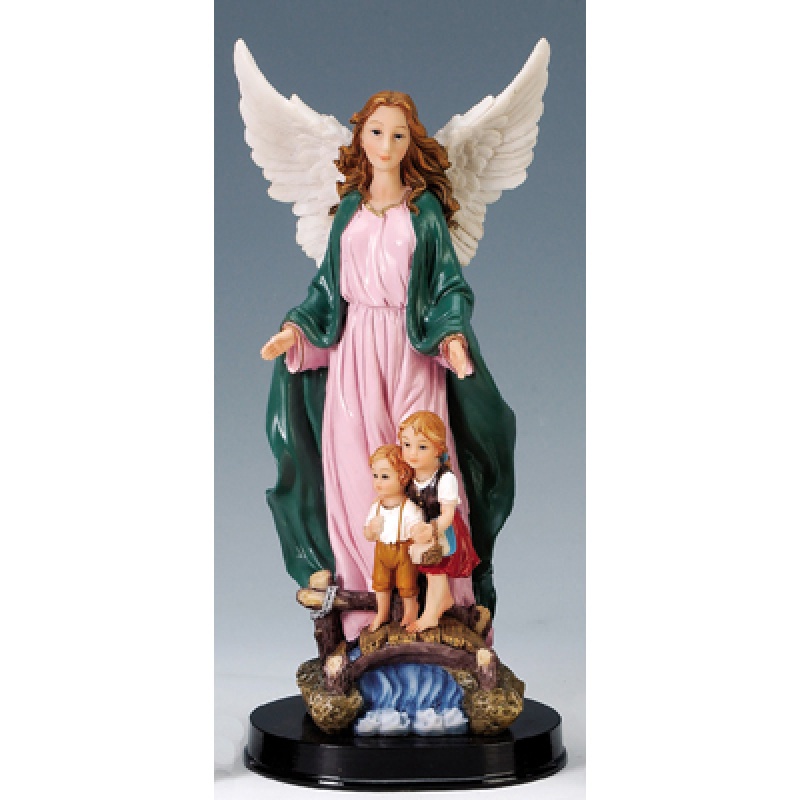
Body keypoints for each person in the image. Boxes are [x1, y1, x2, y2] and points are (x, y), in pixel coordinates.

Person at [261, 91, 514, 640]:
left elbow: (448, 285)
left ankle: (441, 604)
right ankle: (366, 613)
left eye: (398, 134)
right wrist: (296, 330)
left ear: (410, 142)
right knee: (359, 472)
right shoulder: (348, 211)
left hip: (410, 350)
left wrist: (450, 336)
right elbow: (326, 290)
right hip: (353, 350)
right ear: (360, 138)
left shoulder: (424, 215)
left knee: (424, 468)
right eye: (376, 132)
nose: (386, 144)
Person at [399, 412, 480, 633]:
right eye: (407, 445)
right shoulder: (413, 477)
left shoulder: (445, 479)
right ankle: (443, 600)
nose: (412, 453)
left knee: (436, 571)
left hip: (445, 531)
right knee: (430, 571)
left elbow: (448, 515)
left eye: (422, 447)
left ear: (438, 449)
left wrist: (432, 529)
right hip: (424, 531)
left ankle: (430, 615)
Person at [363, 445, 423, 631]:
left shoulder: (409, 508)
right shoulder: (376, 507)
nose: (378, 482)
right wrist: (371, 530)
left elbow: (418, 529)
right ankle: (382, 612)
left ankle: (411, 611)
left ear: (403, 477)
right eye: (375, 476)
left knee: (407, 584)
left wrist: (418, 534)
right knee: (380, 583)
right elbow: (368, 535)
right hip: (382, 550)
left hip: (403, 550)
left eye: (385, 476)